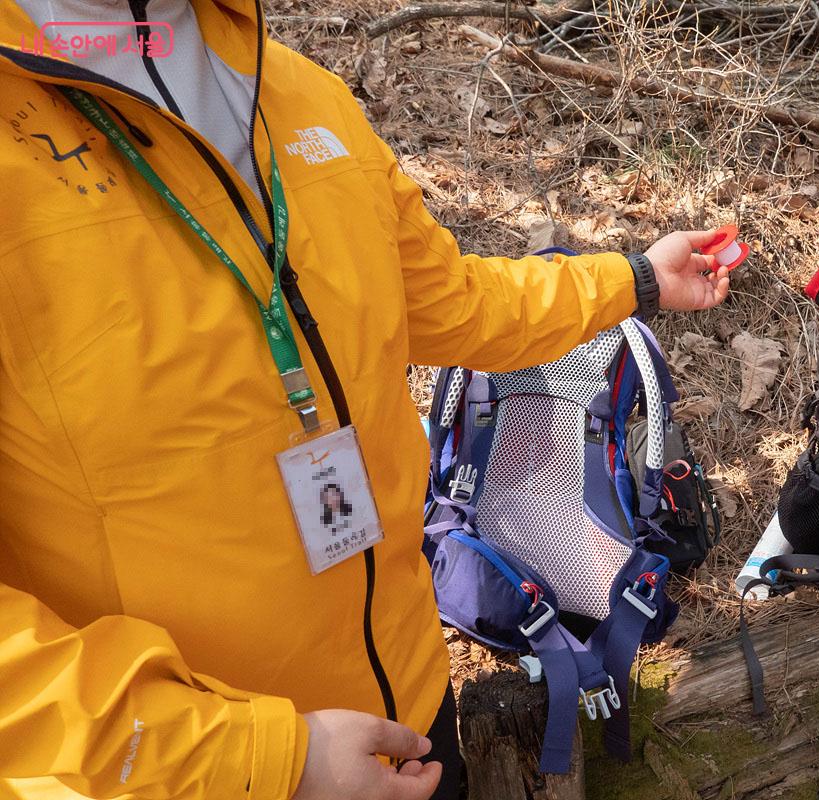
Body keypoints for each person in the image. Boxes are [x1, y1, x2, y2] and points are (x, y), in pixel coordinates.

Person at [0, 2, 730, 799]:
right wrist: (263, 760)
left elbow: (452, 302)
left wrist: (633, 279)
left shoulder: (296, 91)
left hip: (409, 719)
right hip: (178, 775)